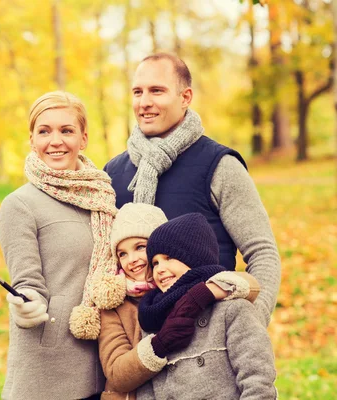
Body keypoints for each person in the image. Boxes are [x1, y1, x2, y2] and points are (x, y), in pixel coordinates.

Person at [104, 52, 281, 326]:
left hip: (206, 338)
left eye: (157, 91)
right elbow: (100, 263)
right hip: (135, 344)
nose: (144, 102)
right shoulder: (112, 173)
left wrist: (248, 329)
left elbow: (262, 253)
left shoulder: (219, 164)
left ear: (185, 97)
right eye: (137, 92)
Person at [0, 91, 121, 399]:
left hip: (108, 362)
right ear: (32, 140)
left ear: (83, 139)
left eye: (66, 130)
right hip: (50, 374)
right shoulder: (20, 205)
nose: (55, 141)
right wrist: (25, 305)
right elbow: (27, 281)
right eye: (44, 131)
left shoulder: (103, 197)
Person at [98, 203, 260, 400]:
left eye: (140, 247)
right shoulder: (120, 305)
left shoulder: (202, 293)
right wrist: (161, 342)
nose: (131, 259)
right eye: (122, 253)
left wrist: (201, 294)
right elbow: (124, 377)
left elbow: (246, 285)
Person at [137, 213, 277, 399]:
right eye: (155, 263)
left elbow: (258, 379)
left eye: (168, 257)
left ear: (193, 256)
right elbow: (147, 391)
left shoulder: (232, 310)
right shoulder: (153, 320)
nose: (159, 269)